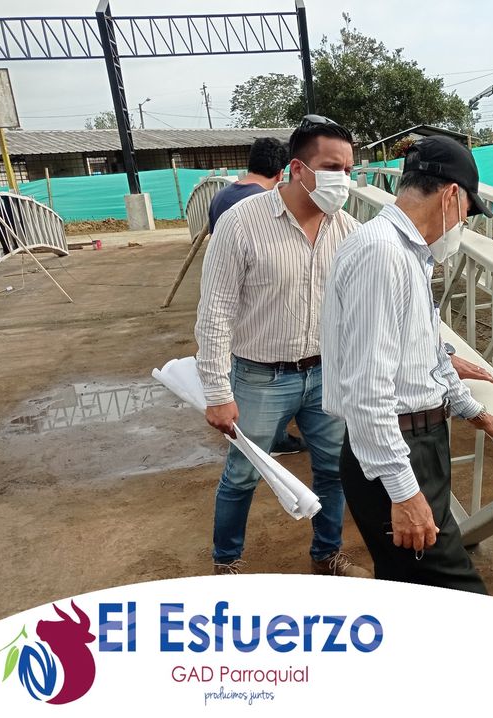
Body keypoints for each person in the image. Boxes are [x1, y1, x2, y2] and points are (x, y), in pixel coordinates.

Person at [321, 136, 493, 593]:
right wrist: (404, 492)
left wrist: (475, 413)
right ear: (451, 196)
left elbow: (428, 352)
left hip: (414, 443)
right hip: (396, 448)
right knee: (461, 593)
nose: (463, 222)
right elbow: (368, 391)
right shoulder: (383, 253)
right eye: (467, 210)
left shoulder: (406, 253)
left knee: (409, 586)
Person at [195, 114, 369, 578]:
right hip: (260, 377)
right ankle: (227, 563)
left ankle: (326, 554)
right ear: (297, 168)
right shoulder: (242, 223)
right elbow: (215, 310)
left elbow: (365, 306)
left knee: (332, 470)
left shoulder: (348, 231)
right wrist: (217, 391)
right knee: (243, 474)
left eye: (348, 169)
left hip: (326, 374)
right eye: (331, 167)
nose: (342, 179)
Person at [206, 138, 306, 457]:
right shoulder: (259, 204)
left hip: (237, 309)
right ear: (282, 173)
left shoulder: (222, 195)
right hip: (262, 325)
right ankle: (273, 437)